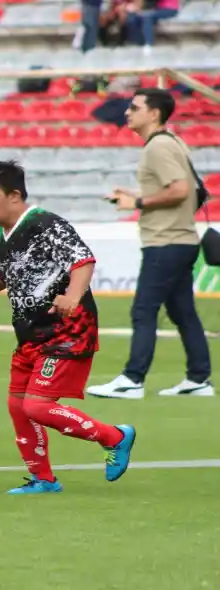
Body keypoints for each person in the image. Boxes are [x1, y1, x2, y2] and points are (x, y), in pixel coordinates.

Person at [0, 161, 136, 494]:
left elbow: (82, 260)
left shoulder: (45, 224)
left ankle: (115, 437)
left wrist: (72, 296)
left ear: (14, 196)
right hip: (31, 335)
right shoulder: (0, 234)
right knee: (18, 406)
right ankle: (43, 480)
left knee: (37, 406)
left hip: (67, 332)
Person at [88, 88, 213, 398]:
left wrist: (139, 201)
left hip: (166, 243)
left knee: (143, 310)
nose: (127, 112)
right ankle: (199, 379)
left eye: (134, 107)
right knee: (183, 313)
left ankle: (132, 379)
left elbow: (181, 190)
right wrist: (135, 197)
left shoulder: (158, 147)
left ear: (154, 113)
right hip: (180, 239)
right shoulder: (171, 143)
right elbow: (189, 191)